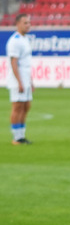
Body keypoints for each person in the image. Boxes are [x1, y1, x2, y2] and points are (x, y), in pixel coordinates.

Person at [7, 14, 33, 145]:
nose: (28, 25)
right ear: (17, 24)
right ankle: (16, 137)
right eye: (25, 23)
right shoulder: (15, 40)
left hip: (26, 78)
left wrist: (31, 81)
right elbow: (13, 62)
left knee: (26, 106)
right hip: (18, 79)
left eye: (28, 23)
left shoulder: (25, 39)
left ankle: (22, 135)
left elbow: (27, 62)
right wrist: (19, 82)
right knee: (17, 107)